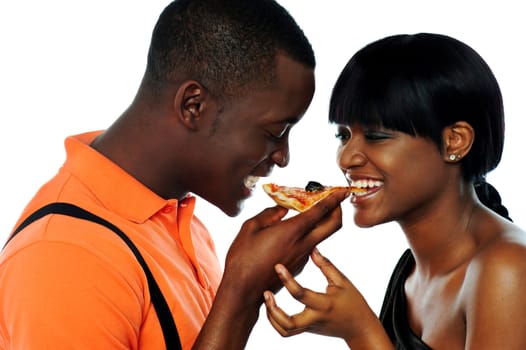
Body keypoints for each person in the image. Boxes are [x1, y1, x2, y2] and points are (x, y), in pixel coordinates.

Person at [0, 1, 349, 349]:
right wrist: (241, 295)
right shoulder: (66, 257)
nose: (283, 157)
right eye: (275, 131)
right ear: (193, 106)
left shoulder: (183, 224)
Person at [263, 33, 526, 349]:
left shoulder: (507, 268)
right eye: (343, 135)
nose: (347, 158)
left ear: (454, 141)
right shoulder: (410, 270)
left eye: (375, 135)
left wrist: (361, 331)